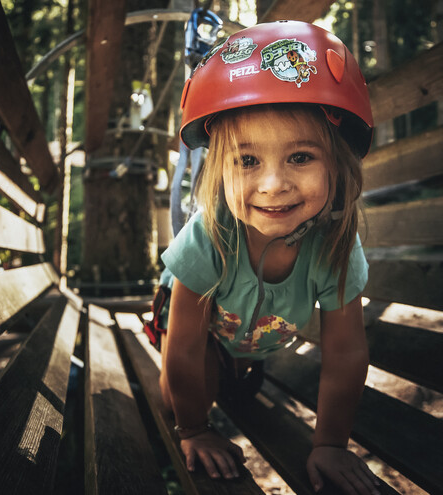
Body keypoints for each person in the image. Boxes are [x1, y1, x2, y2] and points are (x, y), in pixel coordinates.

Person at [152, 20, 380, 494]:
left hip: (253, 347)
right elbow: (186, 343)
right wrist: (194, 429)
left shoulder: (335, 240)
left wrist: (331, 444)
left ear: (337, 163)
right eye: (248, 160)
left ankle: (235, 373)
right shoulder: (211, 232)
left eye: (300, 157)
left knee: (238, 390)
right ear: (218, 169)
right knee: (178, 401)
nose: (273, 184)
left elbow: (345, 350)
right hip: (201, 338)